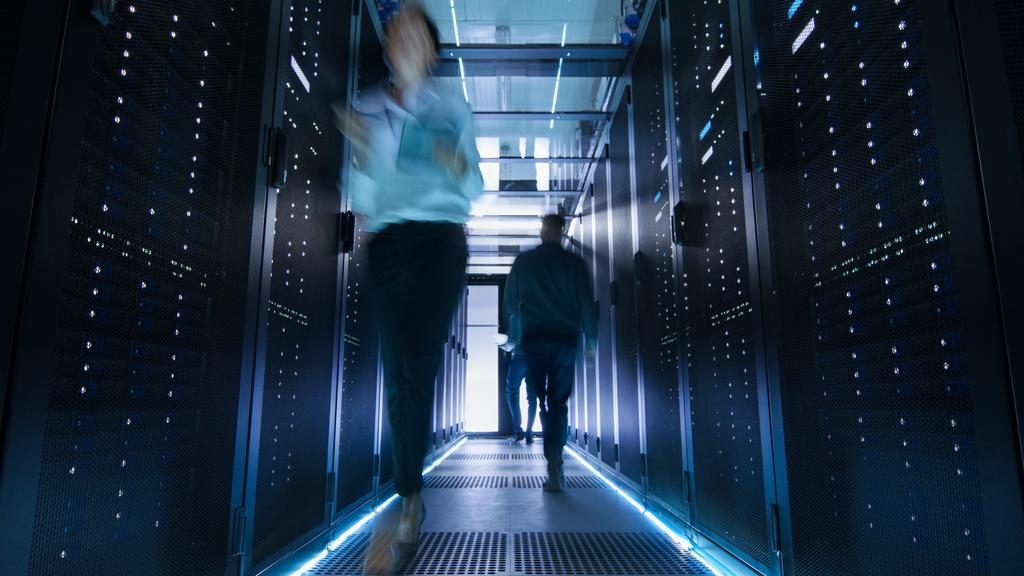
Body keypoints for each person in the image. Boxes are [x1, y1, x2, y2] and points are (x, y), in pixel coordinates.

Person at [335, 3, 483, 567]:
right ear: (390, 46)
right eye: (397, 32)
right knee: (399, 369)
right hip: (390, 245)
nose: (404, 40)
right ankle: (411, 495)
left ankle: (407, 500)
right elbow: (364, 197)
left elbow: (475, 184)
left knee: (419, 359)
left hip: (442, 241)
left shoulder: (452, 107)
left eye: (416, 34)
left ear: (432, 50)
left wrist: (454, 163)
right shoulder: (369, 107)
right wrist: (367, 153)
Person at [503, 215, 597, 492]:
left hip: (534, 339)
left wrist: (516, 335)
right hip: (566, 339)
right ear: (562, 232)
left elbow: (510, 303)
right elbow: (586, 306)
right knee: (559, 401)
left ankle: (551, 457)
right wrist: (591, 341)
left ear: (542, 231)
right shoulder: (575, 264)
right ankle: (555, 456)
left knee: (540, 399)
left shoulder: (524, 262)